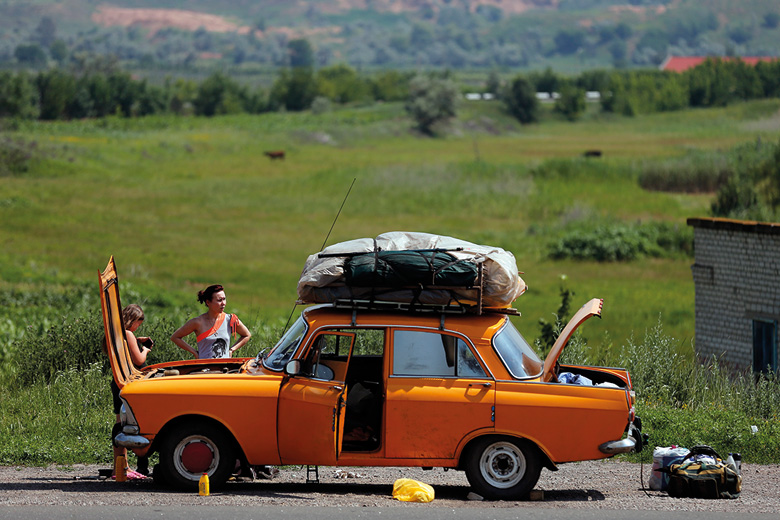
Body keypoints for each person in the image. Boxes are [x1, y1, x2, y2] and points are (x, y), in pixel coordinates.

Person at [109, 304, 152, 479]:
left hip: (117, 381)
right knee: (127, 424)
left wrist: (136, 340)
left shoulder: (116, 334)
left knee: (120, 421)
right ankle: (121, 468)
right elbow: (138, 358)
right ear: (131, 320)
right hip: (128, 382)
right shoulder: (128, 334)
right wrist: (145, 349)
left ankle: (120, 467)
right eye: (137, 324)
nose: (137, 328)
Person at [170, 284, 251, 359]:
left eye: (224, 299)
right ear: (208, 302)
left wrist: (232, 350)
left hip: (225, 369)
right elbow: (175, 337)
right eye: (219, 300)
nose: (223, 303)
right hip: (204, 368)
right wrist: (194, 352)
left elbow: (246, 335)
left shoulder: (230, 319)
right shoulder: (198, 322)